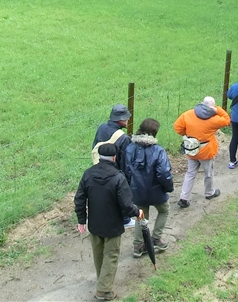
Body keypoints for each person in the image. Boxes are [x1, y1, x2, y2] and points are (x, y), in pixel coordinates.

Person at [74, 142, 143, 301]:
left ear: (99, 156)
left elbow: (79, 199)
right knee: (110, 256)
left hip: (94, 224)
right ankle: (103, 290)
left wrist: (81, 220)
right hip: (113, 226)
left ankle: (102, 282)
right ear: (114, 157)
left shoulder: (88, 174)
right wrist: (137, 212)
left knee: (98, 255)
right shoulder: (118, 177)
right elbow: (126, 205)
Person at [124, 118, 174, 258]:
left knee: (141, 216)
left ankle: (138, 245)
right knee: (164, 210)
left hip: (137, 191)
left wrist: (129, 189)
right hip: (156, 190)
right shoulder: (158, 150)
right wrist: (168, 187)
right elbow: (163, 173)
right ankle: (156, 238)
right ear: (154, 133)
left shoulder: (129, 149)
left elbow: (126, 171)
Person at [173, 96, 230, 208]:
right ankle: (209, 193)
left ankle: (184, 198)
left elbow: (177, 128)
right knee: (208, 173)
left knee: (190, 173)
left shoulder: (187, 114)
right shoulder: (214, 120)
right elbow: (227, 119)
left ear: (201, 103)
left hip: (192, 150)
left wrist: (189, 136)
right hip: (206, 151)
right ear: (212, 107)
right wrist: (217, 109)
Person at [93, 105, 132, 174]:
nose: (128, 119)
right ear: (121, 120)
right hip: (115, 174)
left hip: (99, 169)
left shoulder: (101, 127)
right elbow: (125, 164)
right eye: (126, 117)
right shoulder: (124, 138)